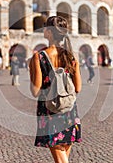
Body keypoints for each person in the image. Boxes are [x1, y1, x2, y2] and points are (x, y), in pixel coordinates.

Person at [29, 16, 82, 163]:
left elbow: (35, 91)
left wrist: (31, 71)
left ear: (49, 33)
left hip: (50, 111)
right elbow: (77, 88)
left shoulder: (39, 57)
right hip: (69, 111)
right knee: (63, 154)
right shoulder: (71, 56)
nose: (43, 29)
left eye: (46, 27)